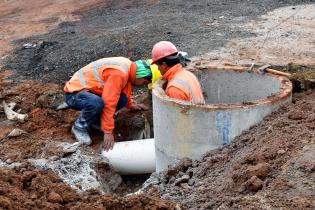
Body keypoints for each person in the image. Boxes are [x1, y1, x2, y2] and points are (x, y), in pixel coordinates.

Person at [63, 57, 152, 151]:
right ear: (141, 75)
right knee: (96, 103)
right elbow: (109, 102)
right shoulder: (119, 74)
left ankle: (94, 121)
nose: (142, 84)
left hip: (90, 91)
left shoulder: (129, 67)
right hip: (74, 93)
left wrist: (131, 105)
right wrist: (108, 132)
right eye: (144, 82)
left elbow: (121, 89)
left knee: (122, 99)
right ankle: (79, 127)